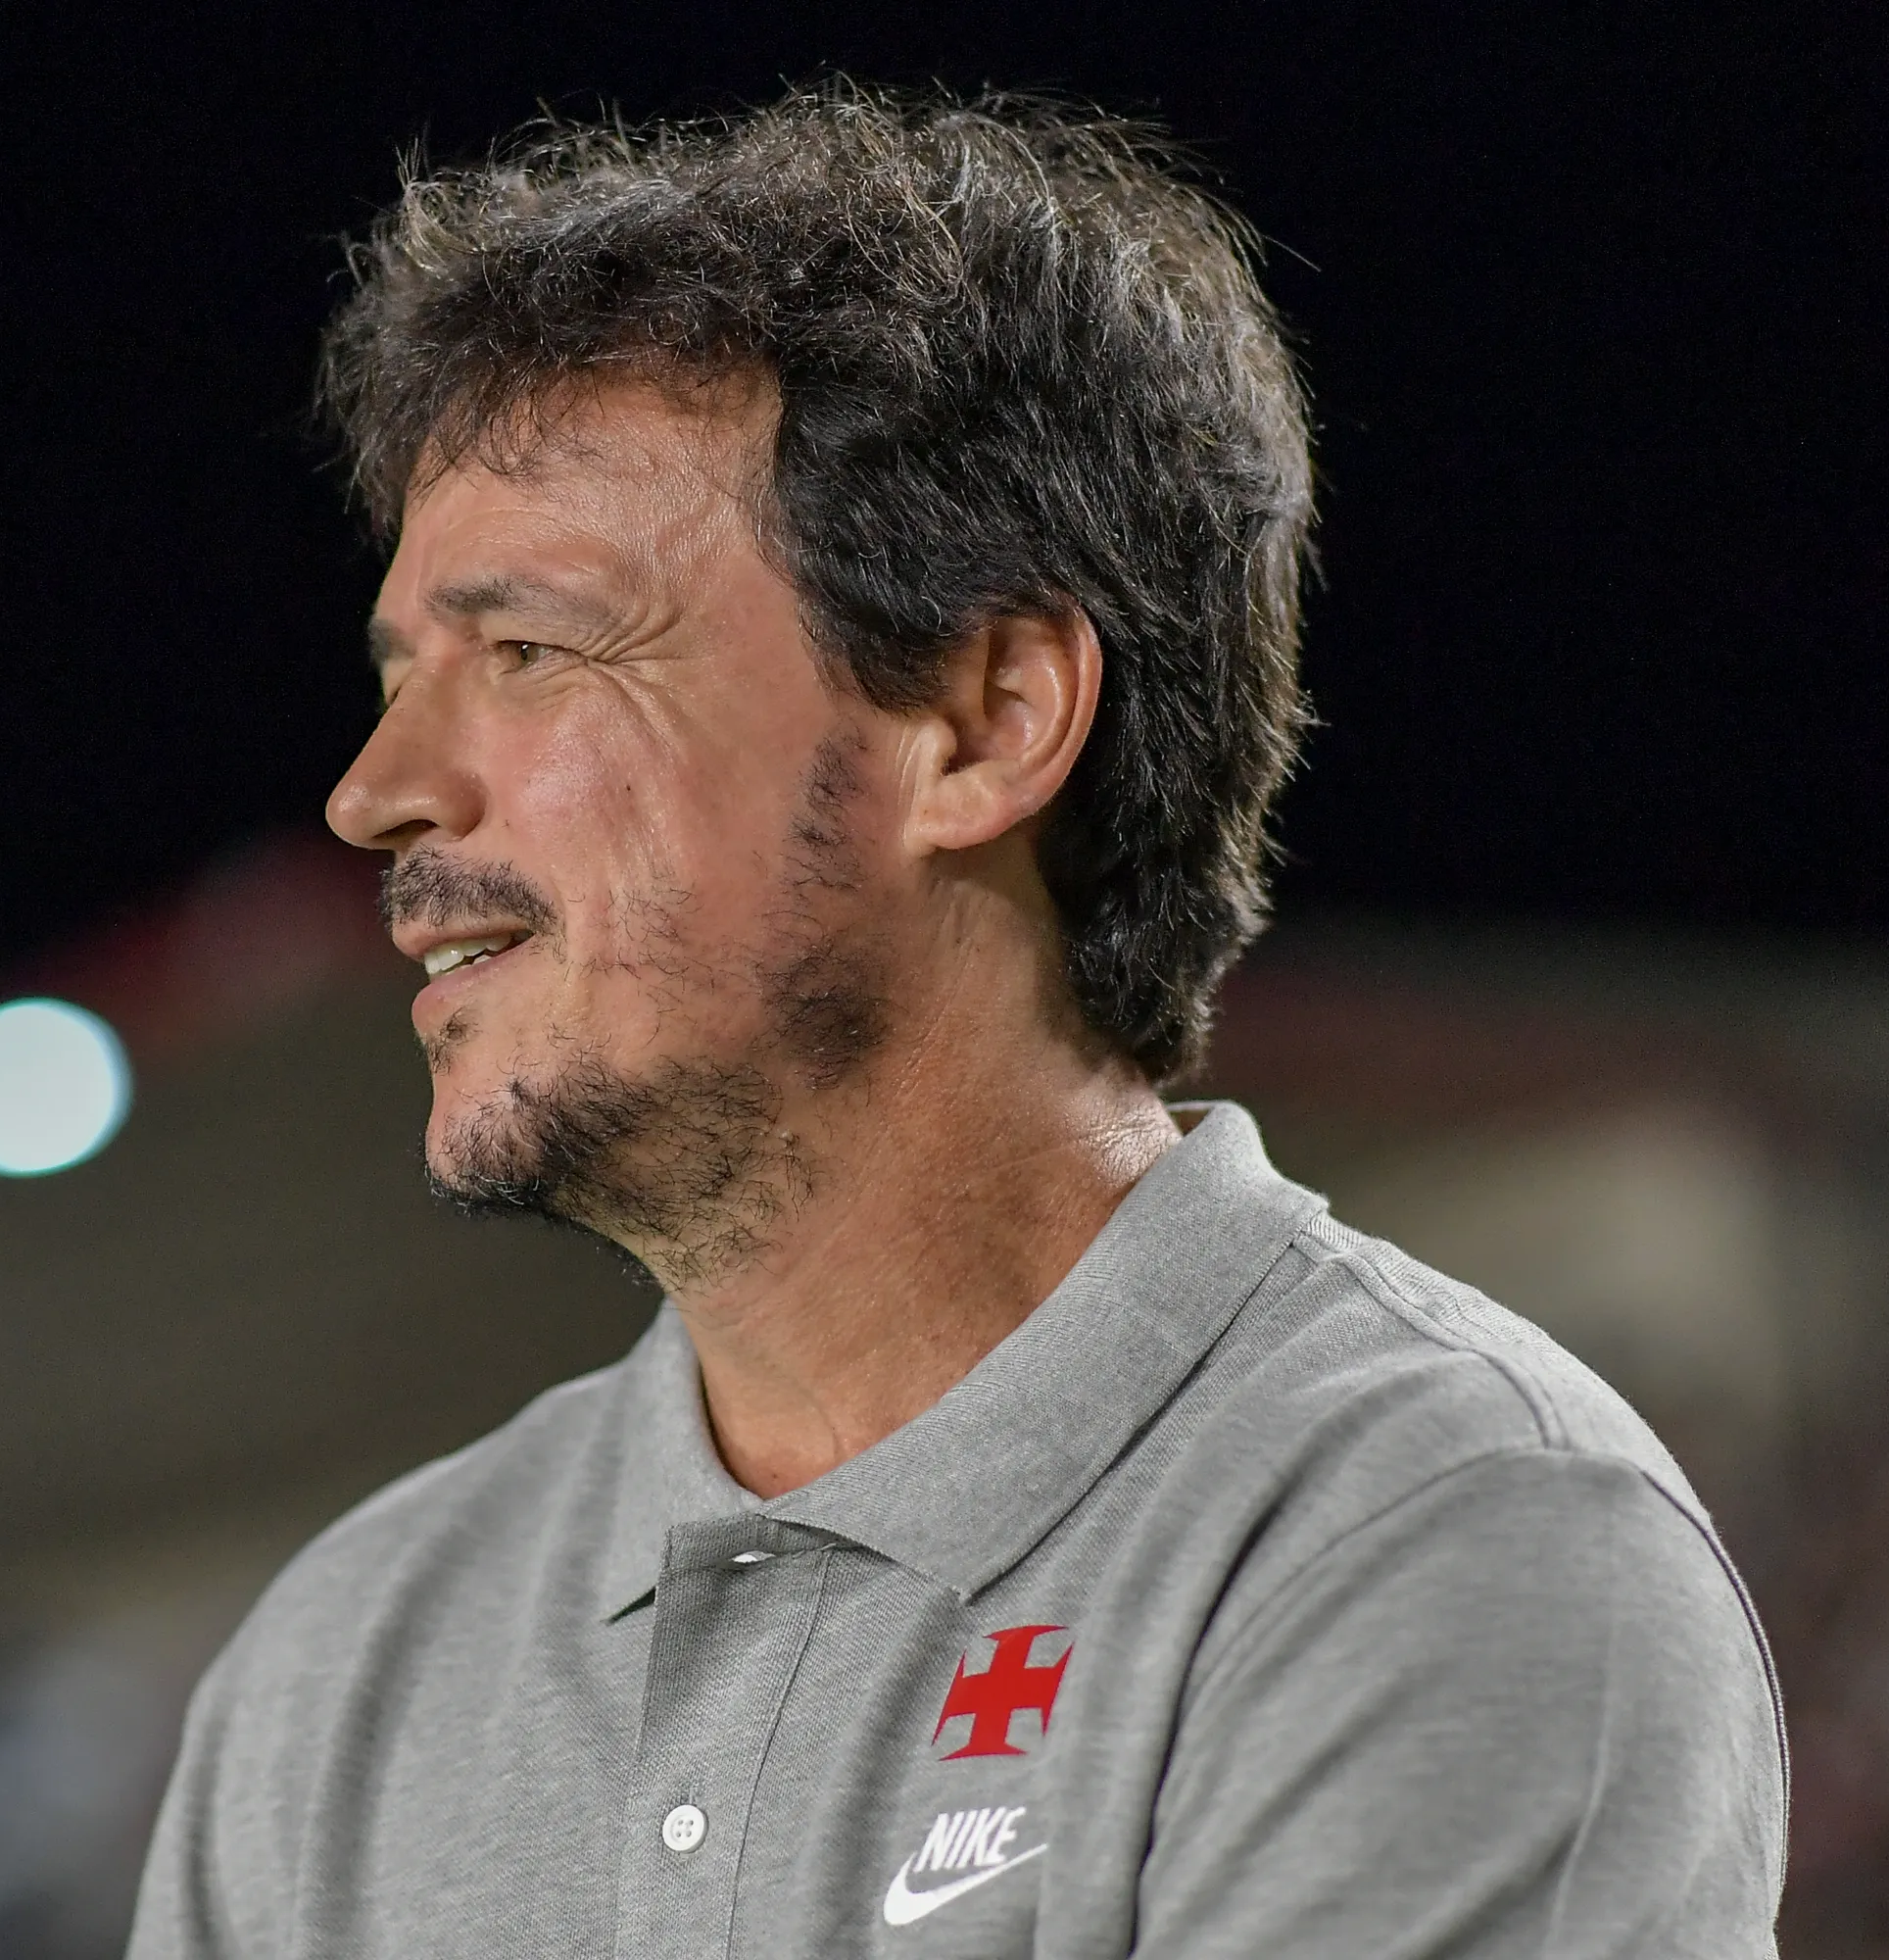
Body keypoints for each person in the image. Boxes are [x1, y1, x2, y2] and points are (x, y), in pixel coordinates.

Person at [128, 85, 1784, 1957]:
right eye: (401, 673)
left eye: (532, 655)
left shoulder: (1437, 1537)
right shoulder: (342, 1678)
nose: (379, 791)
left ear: (987, 722)